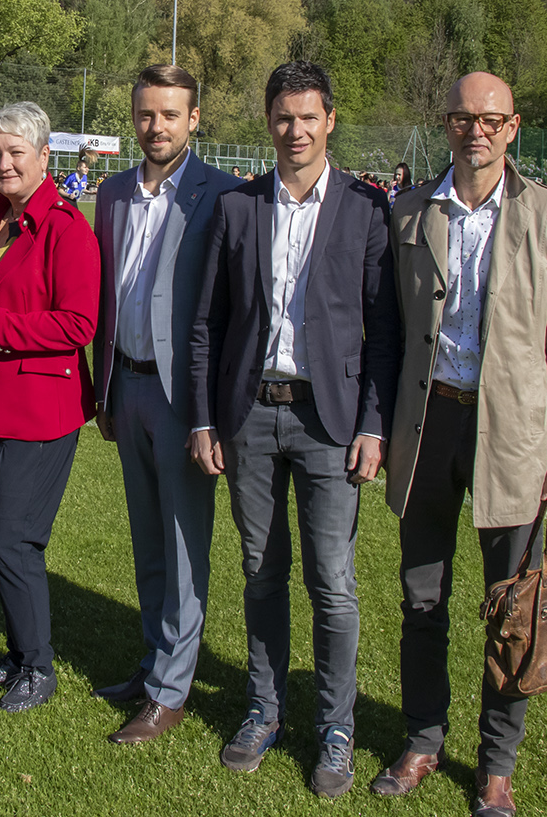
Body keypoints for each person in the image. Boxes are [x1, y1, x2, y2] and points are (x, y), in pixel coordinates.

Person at [373, 71, 547, 817]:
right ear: (447, 123)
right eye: (465, 117)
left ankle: (497, 763)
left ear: (513, 125)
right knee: (421, 596)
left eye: (491, 118)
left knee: (513, 611)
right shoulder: (409, 212)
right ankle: (423, 738)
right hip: (428, 424)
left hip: (514, 435)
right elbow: (393, 335)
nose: (477, 130)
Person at [188, 61, 401, 798]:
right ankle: (264, 708)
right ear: (268, 121)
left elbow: (382, 337)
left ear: (330, 120)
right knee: (260, 570)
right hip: (249, 415)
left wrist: (374, 425)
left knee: (332, 582)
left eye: (309, 116)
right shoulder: (237, 208)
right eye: (283, 116)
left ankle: (336, 727)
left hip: (330, 422)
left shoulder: (369, 210)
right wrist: (206, 416)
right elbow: (207, 324)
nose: (296, 129)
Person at [89, 65, 239, 744]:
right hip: (127, 383)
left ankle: (172, 691)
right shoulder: (113, 191)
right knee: (148, 540)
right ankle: (153, 662)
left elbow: (233, 314)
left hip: (185, 398)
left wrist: (215, 412)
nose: (157, 127)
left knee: (183, 547)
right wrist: (105, 388)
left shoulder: (225, 195)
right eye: (147, 114)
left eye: (171, 115)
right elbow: (105, 299)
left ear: (195, 118)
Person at [0, 102, 100, 713]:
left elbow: (79, 324)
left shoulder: (66, 229)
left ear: (43, 158)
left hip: (41, 409)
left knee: (15, 541)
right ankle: (14, 655)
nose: (3, 163)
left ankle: (38, 667)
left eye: (15, 153)